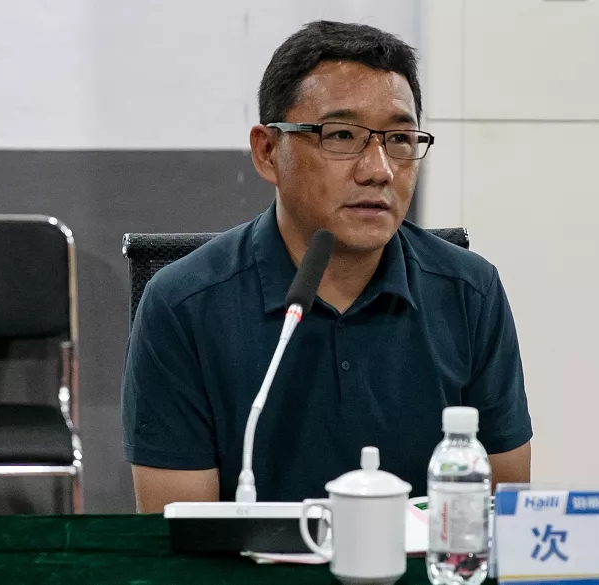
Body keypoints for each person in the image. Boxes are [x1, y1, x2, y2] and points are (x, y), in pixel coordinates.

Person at [121, 20, 532, 513]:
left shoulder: (470, 292)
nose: (379, 169)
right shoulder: (183, 305)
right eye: (341, 135)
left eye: (400, 139)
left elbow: (500, 514)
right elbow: (180, 533)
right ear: (268, 152)